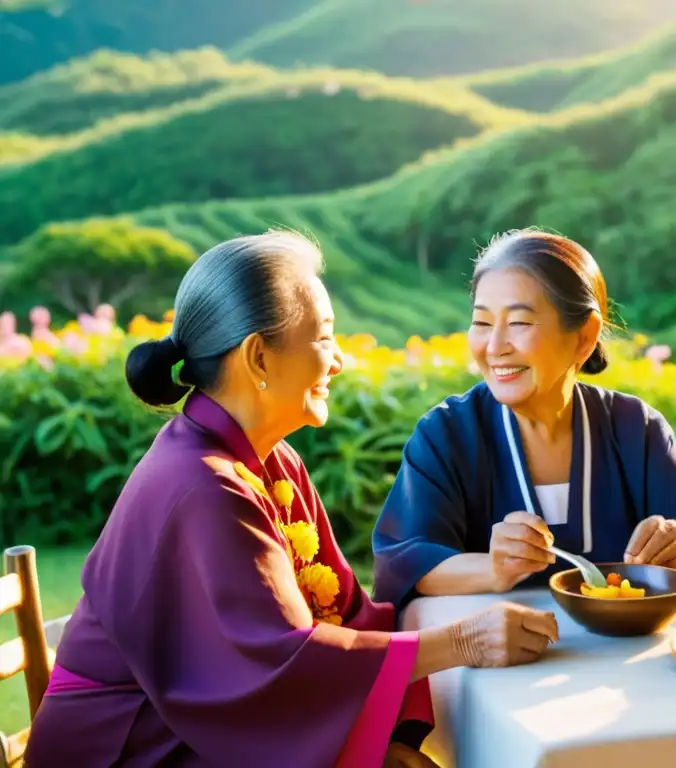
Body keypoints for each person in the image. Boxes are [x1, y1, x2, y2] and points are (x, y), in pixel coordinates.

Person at [26, 231, 559, 768]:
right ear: (259, 357)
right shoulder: (203, 486)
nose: (339, 360)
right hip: (136, 749)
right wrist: (464, 643)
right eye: (324, 337)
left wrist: (387, 738)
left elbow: (343, 612)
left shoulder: (271, 460)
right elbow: (283, 669)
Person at [372, 229, 676, 610]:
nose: (494, 347)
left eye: (520, 323)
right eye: (483, 322)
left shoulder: (634, 428)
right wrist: (492, 569)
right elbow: (405, 562)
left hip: (627, 659)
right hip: (498, 664)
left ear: (583, 335)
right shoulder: (447, 434)